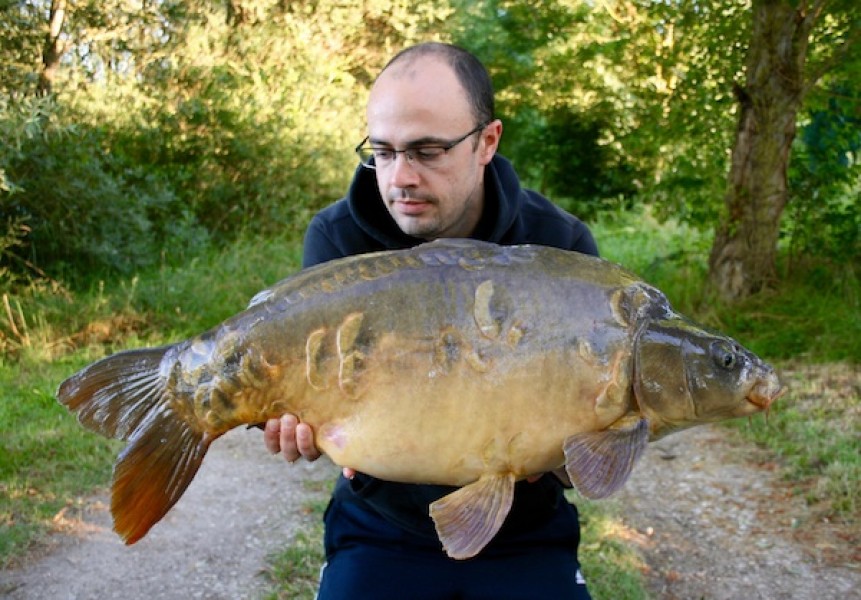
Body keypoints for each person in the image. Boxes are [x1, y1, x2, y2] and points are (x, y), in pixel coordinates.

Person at [263, 41, 598, 599]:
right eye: (384, 152)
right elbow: (310, 395)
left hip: (525, 528)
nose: (400, 178)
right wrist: (298, 423)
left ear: (487, 141)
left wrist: (568, 455)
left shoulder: (559, 247)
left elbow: (593, 438)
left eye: (427, 151)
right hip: (382, 523)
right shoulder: (337, 239)